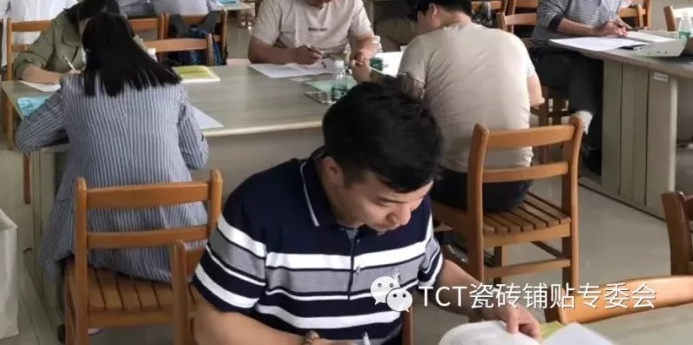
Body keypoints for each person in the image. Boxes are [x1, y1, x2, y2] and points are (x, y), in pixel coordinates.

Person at [192, 80, 539, 345]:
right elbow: (210, 326)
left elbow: (433, 274)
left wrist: (490, 301)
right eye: (384, 203)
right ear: (334, 172)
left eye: (418, 199)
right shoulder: (260, 208)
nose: (404, 219)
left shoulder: (407, 200)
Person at [17, 13, 209, 284]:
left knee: (69, 216)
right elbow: (197, 157)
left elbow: (25, 139)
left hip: (104, 246)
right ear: (133, 43)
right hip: (178, 249)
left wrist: (73, 125)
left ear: (88, 52)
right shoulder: (170, 84)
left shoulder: (75, 89)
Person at [354, 0, 544, 212]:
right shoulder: (511, 41)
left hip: (460, 185)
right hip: (516, 186)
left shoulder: (424, 44)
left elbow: (402, 104)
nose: (418, 28)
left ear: (432, 10)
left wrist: (367, 78)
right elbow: (535, 97)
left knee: (399, 150)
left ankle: (427, 228)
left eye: (418, 19)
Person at [532, 0, 643, 174]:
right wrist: (593, 31)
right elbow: (546, 17)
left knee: (614, 73)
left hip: (589, 54)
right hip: (550, 53)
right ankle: (587, 141)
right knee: (592, 68)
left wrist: (620, 25)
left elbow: (607, 15)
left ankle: (586, 135)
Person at [248, 0, 376, 66]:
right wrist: (292, 55)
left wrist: (364, 52)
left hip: (335, 68)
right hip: (290, 68)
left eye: (329, 0)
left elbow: (367, 38)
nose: (322, 6)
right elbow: (255, 51)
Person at [13, 0, 121, 84]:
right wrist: (63, 78)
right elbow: (24, 67)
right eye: (90, 28)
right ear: (79, 18)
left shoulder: (120, 30)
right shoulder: (60, 27)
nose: (95, 36)